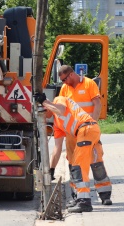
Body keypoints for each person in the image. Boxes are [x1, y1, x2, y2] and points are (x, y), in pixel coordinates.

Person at [51, 65, 112, 206]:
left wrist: (93, 123)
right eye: (62, 81)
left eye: (65, 79)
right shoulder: (65, 89)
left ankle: (105, 194)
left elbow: (97, 104)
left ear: (71, 74)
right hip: (73, 133)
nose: (64, 83)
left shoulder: (89, 83)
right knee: (74, 164)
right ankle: (76, 195)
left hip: (88, 129)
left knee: (96, 160)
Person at [34, 93, 98, 213]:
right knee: (74, 165)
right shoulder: (57, 124)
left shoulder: (59, 99)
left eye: (43, 110)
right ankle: (78, 198)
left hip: (87, 128)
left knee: (79, 166)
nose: (44, 115)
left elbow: (61, 110)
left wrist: (44, 102)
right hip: (83, 132)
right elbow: (57, 148)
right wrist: (51, 169)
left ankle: (85, 202)